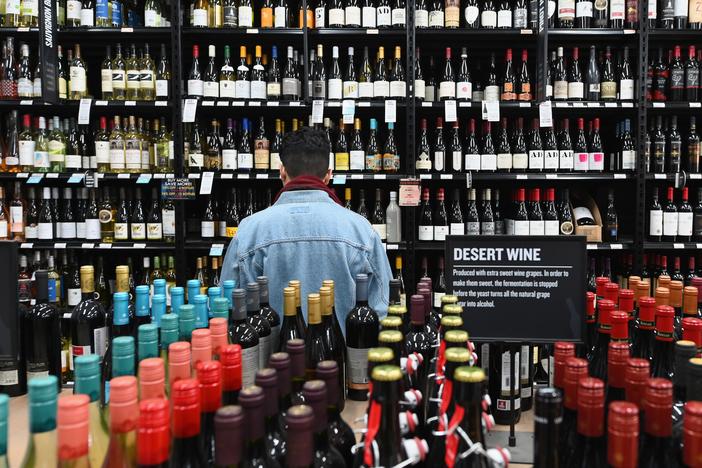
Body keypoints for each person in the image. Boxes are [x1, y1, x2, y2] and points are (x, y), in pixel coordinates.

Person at [220, 127, 392, 334]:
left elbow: (226, 312)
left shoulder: (249, 231)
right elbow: (385, 313)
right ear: (328, 176)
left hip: (268, 363)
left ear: (282, 171)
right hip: (344, 363)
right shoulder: (361, 231)